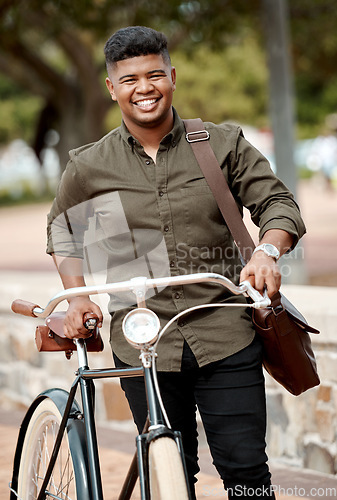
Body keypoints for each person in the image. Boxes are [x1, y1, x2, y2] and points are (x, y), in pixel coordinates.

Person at [47, 26, 306, 499]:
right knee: (170, 475)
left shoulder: (221, 144)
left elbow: (278, 203)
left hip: (225, 333)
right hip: (141, 341)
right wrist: (79, 293)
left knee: (247, 471)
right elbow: (63, 231)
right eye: (129, 80)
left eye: (154, 75)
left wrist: (268, 251)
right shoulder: (89, 165)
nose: (143, 88)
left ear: (172, 76)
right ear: (111, 88)